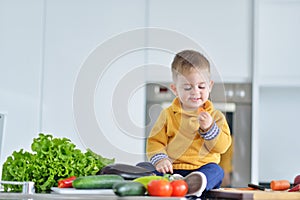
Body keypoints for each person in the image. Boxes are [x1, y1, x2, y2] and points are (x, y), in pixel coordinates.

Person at [146, 49, 232, 197]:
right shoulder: (168, 115)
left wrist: (210, 129)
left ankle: (193, 185)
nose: (195, 92)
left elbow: (223, 147)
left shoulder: (215, 117)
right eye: (187, 87)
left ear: (210, 86)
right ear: (175, 89)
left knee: (217, 171)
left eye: (201, 86)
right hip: (172, 169)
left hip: (202, 169)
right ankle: (178, 184)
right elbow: (154, 142)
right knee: (144, 168)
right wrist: (161, 160)